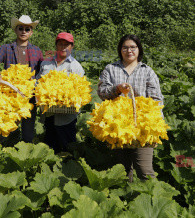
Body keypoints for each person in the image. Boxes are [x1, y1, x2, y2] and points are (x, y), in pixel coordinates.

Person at [97, 34, 164, 181]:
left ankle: (151, 198)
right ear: (120, 50)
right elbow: (101, 93)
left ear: (139, 50)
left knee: (145, 170)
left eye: (133, 47)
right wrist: (117, 89)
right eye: (125, 47)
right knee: (121, 171)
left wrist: (157, 128)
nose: (129, 51)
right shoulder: (110, 69)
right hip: (117, 127)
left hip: (142, 129)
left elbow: (157, 100)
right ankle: (124, 200)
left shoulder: (147, 71)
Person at [0, 15, 43, 143]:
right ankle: (2, 155)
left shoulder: (36, 51)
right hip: (9, 97)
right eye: (20, 28)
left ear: (31, 32)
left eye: (27, 29)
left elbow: (43, 71)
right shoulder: (6, 49)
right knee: (7, 130)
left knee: (28, 133)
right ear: (15, 30)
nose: (24, 31)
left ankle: (25, 154)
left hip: (29, 98)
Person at [36, 32, 85, 153]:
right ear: (56, 46)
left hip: (67, 116)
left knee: (67, 147)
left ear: (72, 47)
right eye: (60, 44)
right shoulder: (45, 63)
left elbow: (81, 90)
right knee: (50, 146)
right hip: (49, 114)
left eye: (66, 45)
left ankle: (68, 167)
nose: (63, 47)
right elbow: (37, 83)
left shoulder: (76, 66)